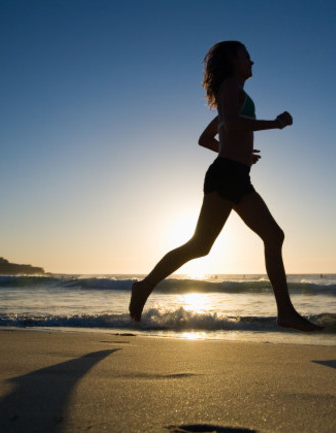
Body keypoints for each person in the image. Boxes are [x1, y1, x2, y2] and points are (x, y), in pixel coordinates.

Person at [129, 41, 323, 332]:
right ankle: (285, 312)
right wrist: (275, 124)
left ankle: (144, 287)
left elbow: (208, 138)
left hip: (232, 174)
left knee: (203, 245)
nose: (252, 62)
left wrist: (241, 153)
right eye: (247, 56)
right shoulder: (231, 84)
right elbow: (231, 123)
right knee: (271, 235)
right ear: (233, 61)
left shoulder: (234, 92)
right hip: (227, 175)